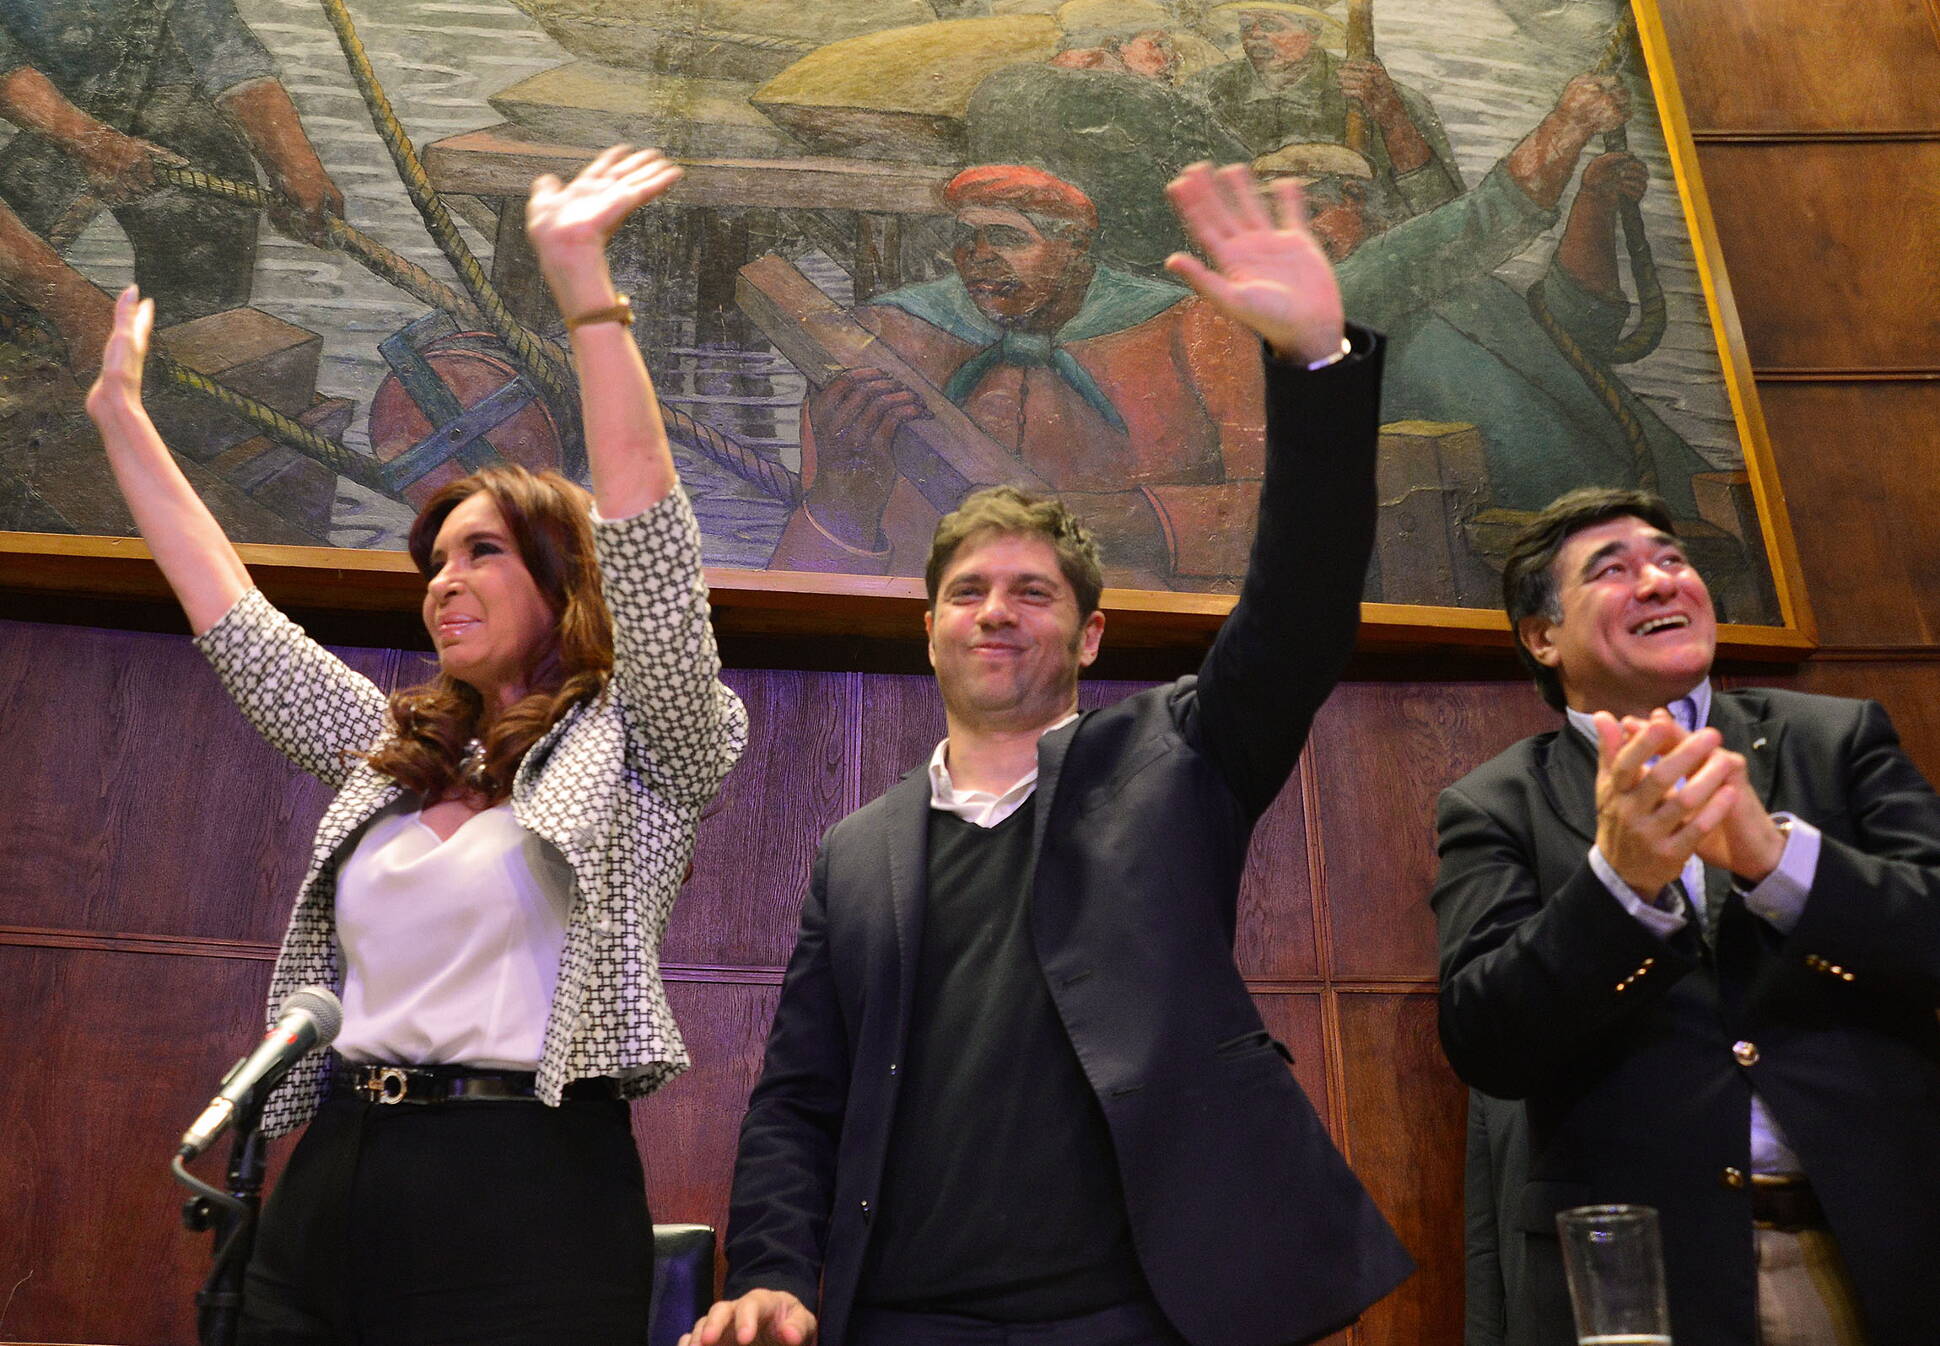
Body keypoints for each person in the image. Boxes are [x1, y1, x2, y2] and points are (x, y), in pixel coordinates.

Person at [689, 161, 1412, 1346]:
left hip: (1134, 1313)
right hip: (900, 1317)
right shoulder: (855, 850)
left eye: (1030, 591)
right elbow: (797, 1099)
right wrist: (775, 1266)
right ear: (927, 630)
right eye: (966, 590)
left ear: (1086, 633)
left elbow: (1299, 606)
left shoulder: (1176, 759)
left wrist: (1317, 370)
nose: (993, 609)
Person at [84, 146, 748, 1344]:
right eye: (434, 561)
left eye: (483, 552)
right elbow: (241, 627)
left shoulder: (650, 744)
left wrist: (585, 295)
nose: (443, 582)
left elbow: (652, 549)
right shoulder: (395, 751)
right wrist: (123, 420)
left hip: (529, 1187)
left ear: (562, 579)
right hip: (338, 1166)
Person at [1431, 487, 1940, 1345]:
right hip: (1642, 1279)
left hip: (1877, 1248)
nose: (1663, 582)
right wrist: (1617, 887)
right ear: (1542, 636)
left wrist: (1777, 863)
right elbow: (1487, 1040)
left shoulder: (1834, 738)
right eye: (1615, 570)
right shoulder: (1493, 804)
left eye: (1673, 560)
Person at [766, 164, 1271, 589]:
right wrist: (843, 492)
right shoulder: (885, 336)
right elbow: (817, 566)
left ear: (1074, 245)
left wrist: (1066, 519)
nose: (978, 255)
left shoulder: (1198, 332)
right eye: (967, 238)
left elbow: (1277, 515)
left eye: (1007, 236)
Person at [1259, 73, 1714, 517]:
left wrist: (1593, 203)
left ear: (1356, 198)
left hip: (1660, 497)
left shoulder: (1437, 279)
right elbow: (1485, 218)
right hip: (1556, 528)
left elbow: (1578, 331)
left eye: (1310, 213)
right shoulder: (1336, 294)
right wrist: (1567, 126)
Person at [0, 0, 345, 329]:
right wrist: (89, 141)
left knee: (215, 206)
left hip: (155, 90)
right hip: (37, 109)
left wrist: (292, 161)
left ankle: (190, 353)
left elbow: (218, 41)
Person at [1191, 2, 1463, 226]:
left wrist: (1393, 119)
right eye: (1246, 26)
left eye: (1272, 26)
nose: (1255, 36)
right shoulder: (1205, 88)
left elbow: (1445, 213)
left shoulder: (1385, 97)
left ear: (1313, 30)